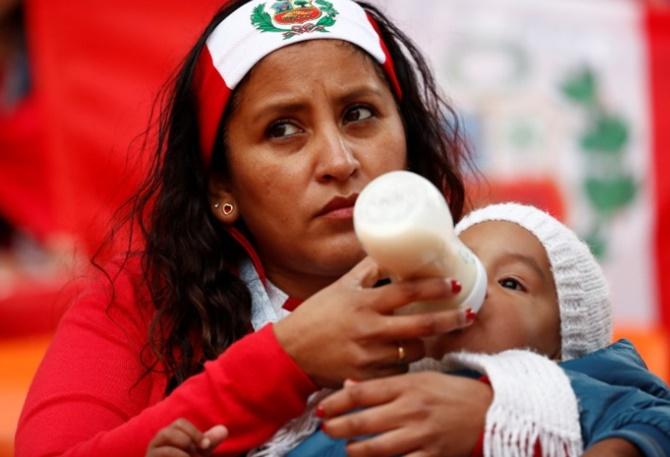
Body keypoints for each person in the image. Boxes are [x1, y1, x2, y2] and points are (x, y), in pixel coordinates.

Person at [14, 0, 661, 456]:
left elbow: (638, 409)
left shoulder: (491, 282)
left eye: (358, 114)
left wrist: (508, 423)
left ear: (408, 140)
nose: (339, 160)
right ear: (222, 187)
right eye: (283, 129)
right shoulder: (142, 301)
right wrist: (287, 358)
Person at [306, 202, 670, 456]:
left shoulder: (568, 389)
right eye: (458, 266)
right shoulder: (376, 385)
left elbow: (652, 420)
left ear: (564, 342)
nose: (471, 286)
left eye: (511, 282)